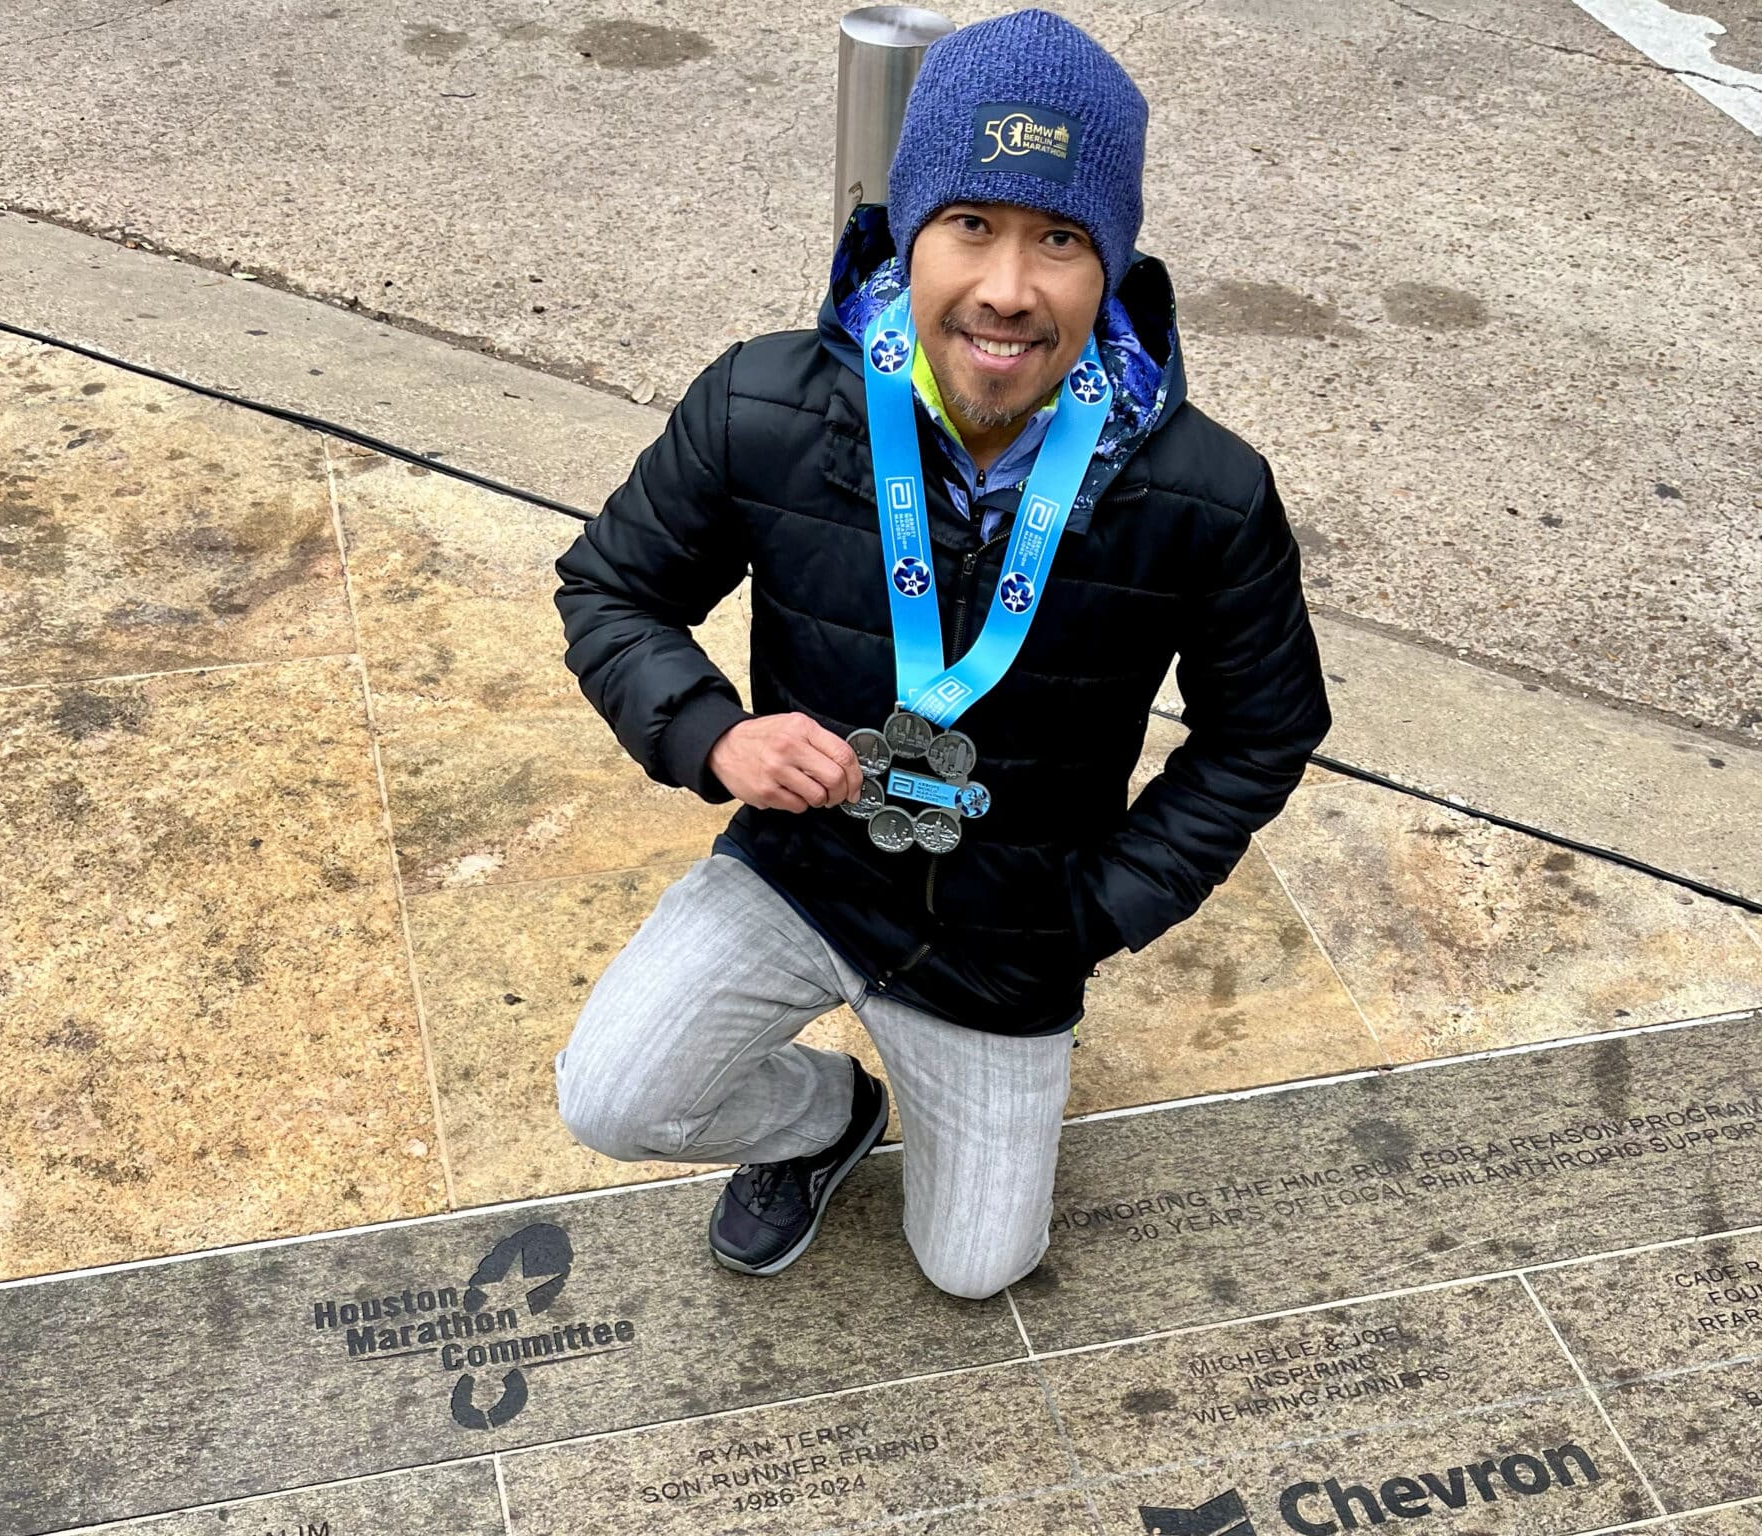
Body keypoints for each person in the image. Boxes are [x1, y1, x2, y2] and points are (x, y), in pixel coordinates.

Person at [551, 8, 1329, 1300]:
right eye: (971, 224)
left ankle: (959, 1076)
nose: (1008, 288)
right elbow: (611, 587)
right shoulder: (764, 404)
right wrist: (712, 734)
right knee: (615, 1098)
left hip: (1007, 939)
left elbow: (1263, 731)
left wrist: (1096, 909)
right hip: (801, 873)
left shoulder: (1208, 492)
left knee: (976, 1266)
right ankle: (824, 1119)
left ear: (1113, 265)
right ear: (908, 232)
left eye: (1060, 239)